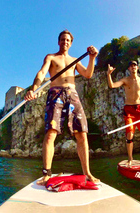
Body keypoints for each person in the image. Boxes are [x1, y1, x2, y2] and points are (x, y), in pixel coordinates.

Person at [24, 30, 100, 185]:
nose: (65, 42)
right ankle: (47, 173)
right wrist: (35, 88)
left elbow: (88, 74)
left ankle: (87, 173)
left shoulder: (75, 60)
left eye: (68, 40)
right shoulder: (51, 57)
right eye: (62, 39)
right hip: (55, 94)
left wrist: (92, 58)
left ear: (71, 43)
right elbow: (42, 73)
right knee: (51, 133)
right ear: (58, 42)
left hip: (72, 94)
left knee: (82, 133)